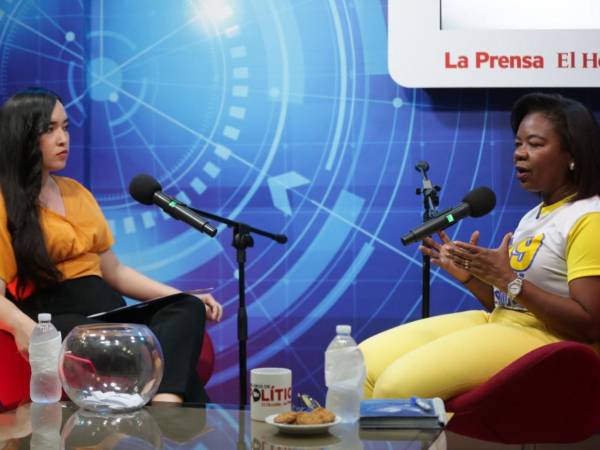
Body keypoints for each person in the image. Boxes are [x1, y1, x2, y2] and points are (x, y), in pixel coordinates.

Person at [359, 92, 600, 401]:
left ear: (572, 154)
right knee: (361, 364)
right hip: (503, 322)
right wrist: (471, 277)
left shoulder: (588, 218)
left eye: (535, 144)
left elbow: (590, 325)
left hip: (552, 342)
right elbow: (509, 303)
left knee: (395, 388)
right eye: (518, 144)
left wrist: (508, 280)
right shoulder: (534, 216)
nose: (519, 154)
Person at [0, 88, 223, 404]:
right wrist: (24, 326)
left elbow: (114, 271)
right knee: (113, 341)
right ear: (22, 136)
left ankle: (165, 402)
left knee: (185, 307)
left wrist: (180, 295)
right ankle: (170, 409)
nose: (63, 139)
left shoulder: (78, 193)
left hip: (108, 313)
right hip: (59, 316)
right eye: (49, 129)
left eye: (65, 127)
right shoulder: (4, 202)